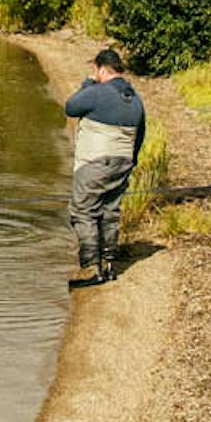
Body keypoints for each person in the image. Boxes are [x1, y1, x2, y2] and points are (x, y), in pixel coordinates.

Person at [62, 46, 147, 283]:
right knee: (110, 211)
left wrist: (88, 83)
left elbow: (70, 107)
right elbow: (140, 133)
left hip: (95, 161)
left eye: (95, 71)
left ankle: (91, 267)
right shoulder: (135, 99)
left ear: (101, 69)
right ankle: (109, 264)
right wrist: (131, 161)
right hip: (123, 161)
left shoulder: (97, 92)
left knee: (83, 211)